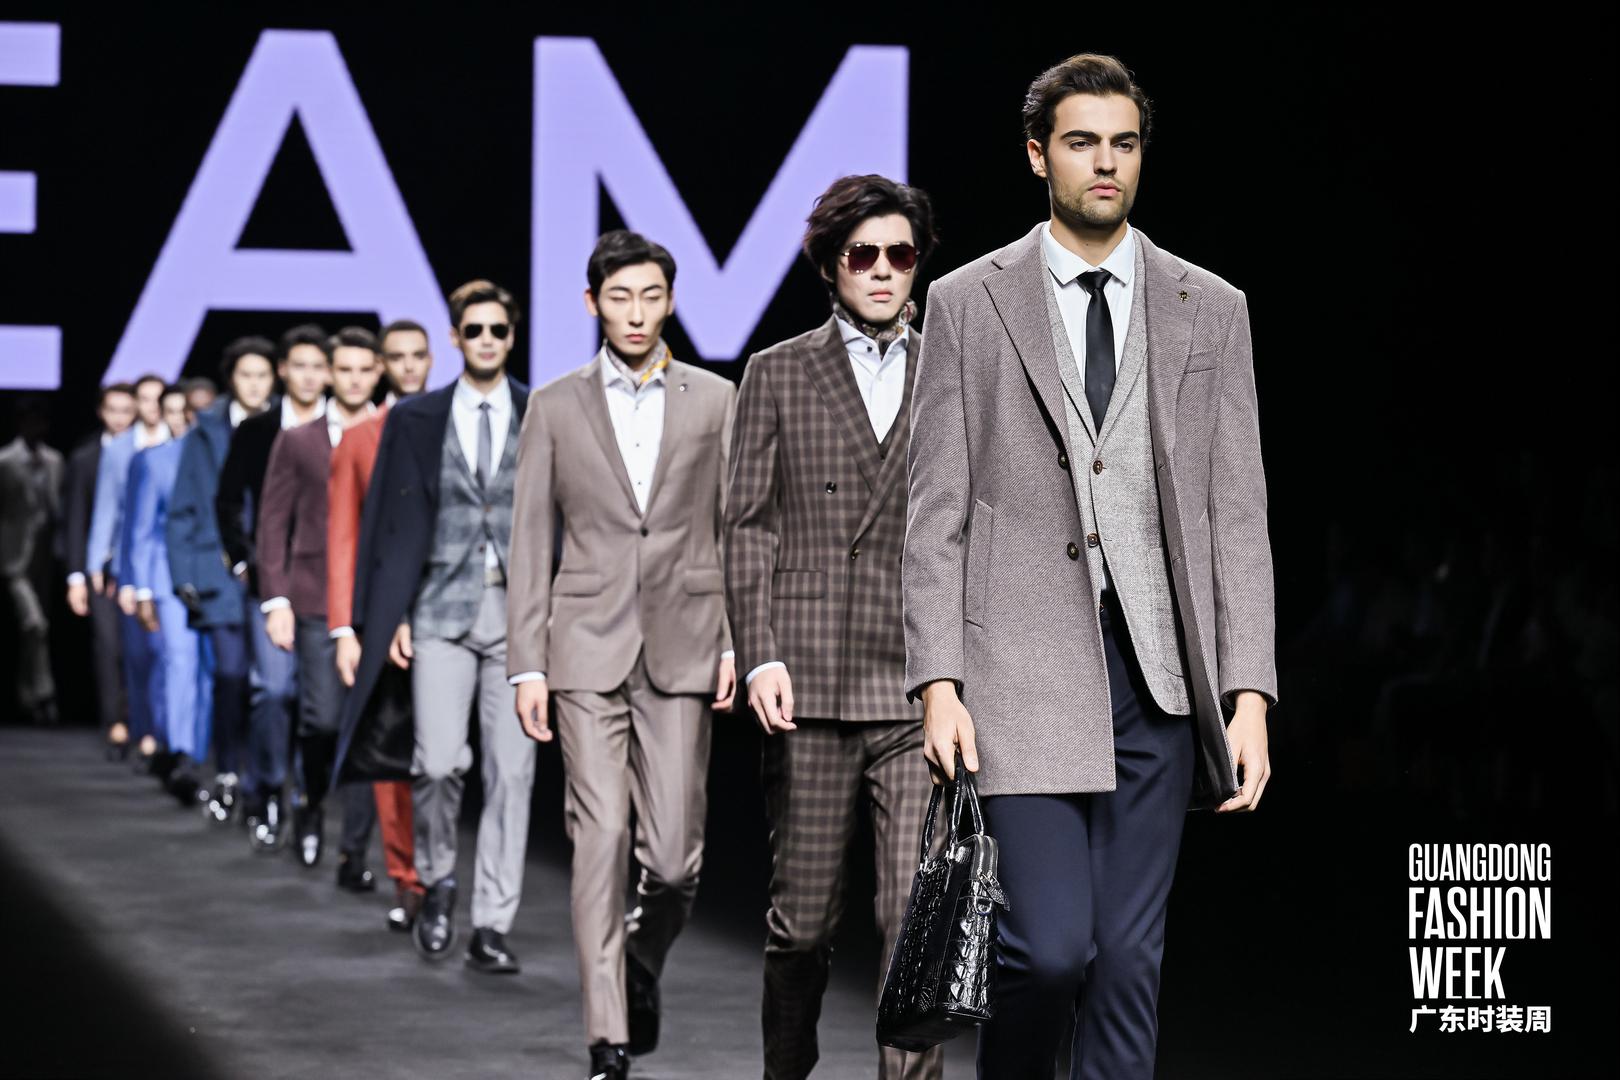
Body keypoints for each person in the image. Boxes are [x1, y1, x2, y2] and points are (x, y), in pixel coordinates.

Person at [901, 54, 1277, 1078]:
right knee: (1050, 948)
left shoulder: (1212, 306)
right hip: (1015, 673)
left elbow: (1237, 514)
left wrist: (1248, 694)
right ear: (1038, 155)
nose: (1105, 163)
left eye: (1123, 143)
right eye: (1081, 142)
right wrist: (939, 683)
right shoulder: (969, 301)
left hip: (1158, 678)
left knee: (1128, 964)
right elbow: (935, 512)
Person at [724, 175, 940, 1080]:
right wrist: (759, 652)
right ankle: (786, 1069)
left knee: (913, 920)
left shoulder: (951, 367)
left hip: (919, 683)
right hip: (807, 678)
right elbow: (746, 524)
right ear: (830, 265)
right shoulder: (777, 370)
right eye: (864, 254)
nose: (883, 270)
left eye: (901, 254)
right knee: (803, 924)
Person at [507, 231, 736, 1080]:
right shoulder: (554, 405)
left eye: (650, 296)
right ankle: (606, 1033)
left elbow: (736, 529)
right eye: (618, 297)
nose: (635, 313)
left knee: (674, 861)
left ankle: (639, 955)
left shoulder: (716, 398)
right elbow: (530, 537)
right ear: (591, 303)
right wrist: (527, 662)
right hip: (583, 646)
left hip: (686, 639)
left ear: (670, 301)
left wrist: (737, 640)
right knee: (599, 837)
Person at [337, 281, 534, 972]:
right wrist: (380, 615)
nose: (486, 340)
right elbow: (382, 523)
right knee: (438, 762)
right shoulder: (415, 417)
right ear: (455, 337)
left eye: (498, 329)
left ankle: (493, 923)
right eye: (474, 329)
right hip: (438, 610)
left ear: (512, 336)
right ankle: (438, 878)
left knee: (512, 773)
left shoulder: (541, 410)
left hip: (519, 617)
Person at [256, 327, 384, 890]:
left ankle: (353, 851)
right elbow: (273, 521)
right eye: (344, 369)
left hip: (376, 601)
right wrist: (276, 599)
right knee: (323, 718)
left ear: (377, 372)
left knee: (366, 727)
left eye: (363, 369)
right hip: (311, 594)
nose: (354, 380)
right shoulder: (298, 440)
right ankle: (309, 804)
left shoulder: (393, 434)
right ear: (330, 373)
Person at [327, 318, 434, 931]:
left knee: (448, 760)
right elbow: (345, 537)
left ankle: (438, 872)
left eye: (419, 355)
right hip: (387, 622)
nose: (410, 366)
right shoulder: (361, 438)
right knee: (393, 754)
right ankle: (408, 878)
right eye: (398, 356)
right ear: (383, 366)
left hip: (457, 613)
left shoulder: (458, 426)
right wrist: (346, 628)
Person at [216, 325, 332, 852]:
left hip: (328, 584)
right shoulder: (257, 430)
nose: (308, 376)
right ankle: (266, 789)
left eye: (317, 366)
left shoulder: (346, 429)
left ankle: (309, 799)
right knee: (273, 689)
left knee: (317, 703)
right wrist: (246, 562)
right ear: (283, 370)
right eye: (298, 366)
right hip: (269, 580)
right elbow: (227, 500)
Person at [168, 338, 277, 824]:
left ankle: (262, 780)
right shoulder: (205, 431)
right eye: (245, 375)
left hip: (272, 570)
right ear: (231, 379)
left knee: (270, 685)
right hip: (217, 571)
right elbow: (183, 508)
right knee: (230, 676)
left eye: (262, 375)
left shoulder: (285, 425)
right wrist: (184, 575)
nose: (254, 384)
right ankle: (230, 771)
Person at [123, 384, 213, 802]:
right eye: (172, 411)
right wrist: (142, 589)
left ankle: (198, 750)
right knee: (180, 661)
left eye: (187, 410)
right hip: (165, 574)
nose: (180, 418)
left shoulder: (216, 454)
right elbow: (140, 529)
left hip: (213, 573)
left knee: (210, 669)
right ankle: (182, 753)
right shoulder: (154, 460)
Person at [87, 374, 171, 764]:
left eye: (158, 399)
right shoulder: (120, 449)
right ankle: (142, 728)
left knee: (166, 652)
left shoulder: (180, 444)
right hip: (129, 563)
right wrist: (95, 565)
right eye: (145, 399)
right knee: (136, 653)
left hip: (170, 563)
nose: (152, 407)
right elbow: (107, 509)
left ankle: (162, 731)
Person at [60, 382, 137, 754]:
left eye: (127, 410)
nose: (120, 418)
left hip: (137, 567)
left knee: (139, 647)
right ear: (100, 412)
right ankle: (115, 720)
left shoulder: (146, 450)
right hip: (99, 569)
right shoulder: (86, 458)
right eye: (113, 410)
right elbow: (75, 519)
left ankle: (139, 718)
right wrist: (76, 576)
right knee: (108, 646)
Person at [0, 394, 66, 726]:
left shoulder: (54, 460)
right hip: (14, 555)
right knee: (34, 624)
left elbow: (58, 507)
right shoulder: (5, 461)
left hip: (46, 554)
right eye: (30, 421)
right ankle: (43, 693)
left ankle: (27, 695)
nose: (35, 428)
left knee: (38, 630)